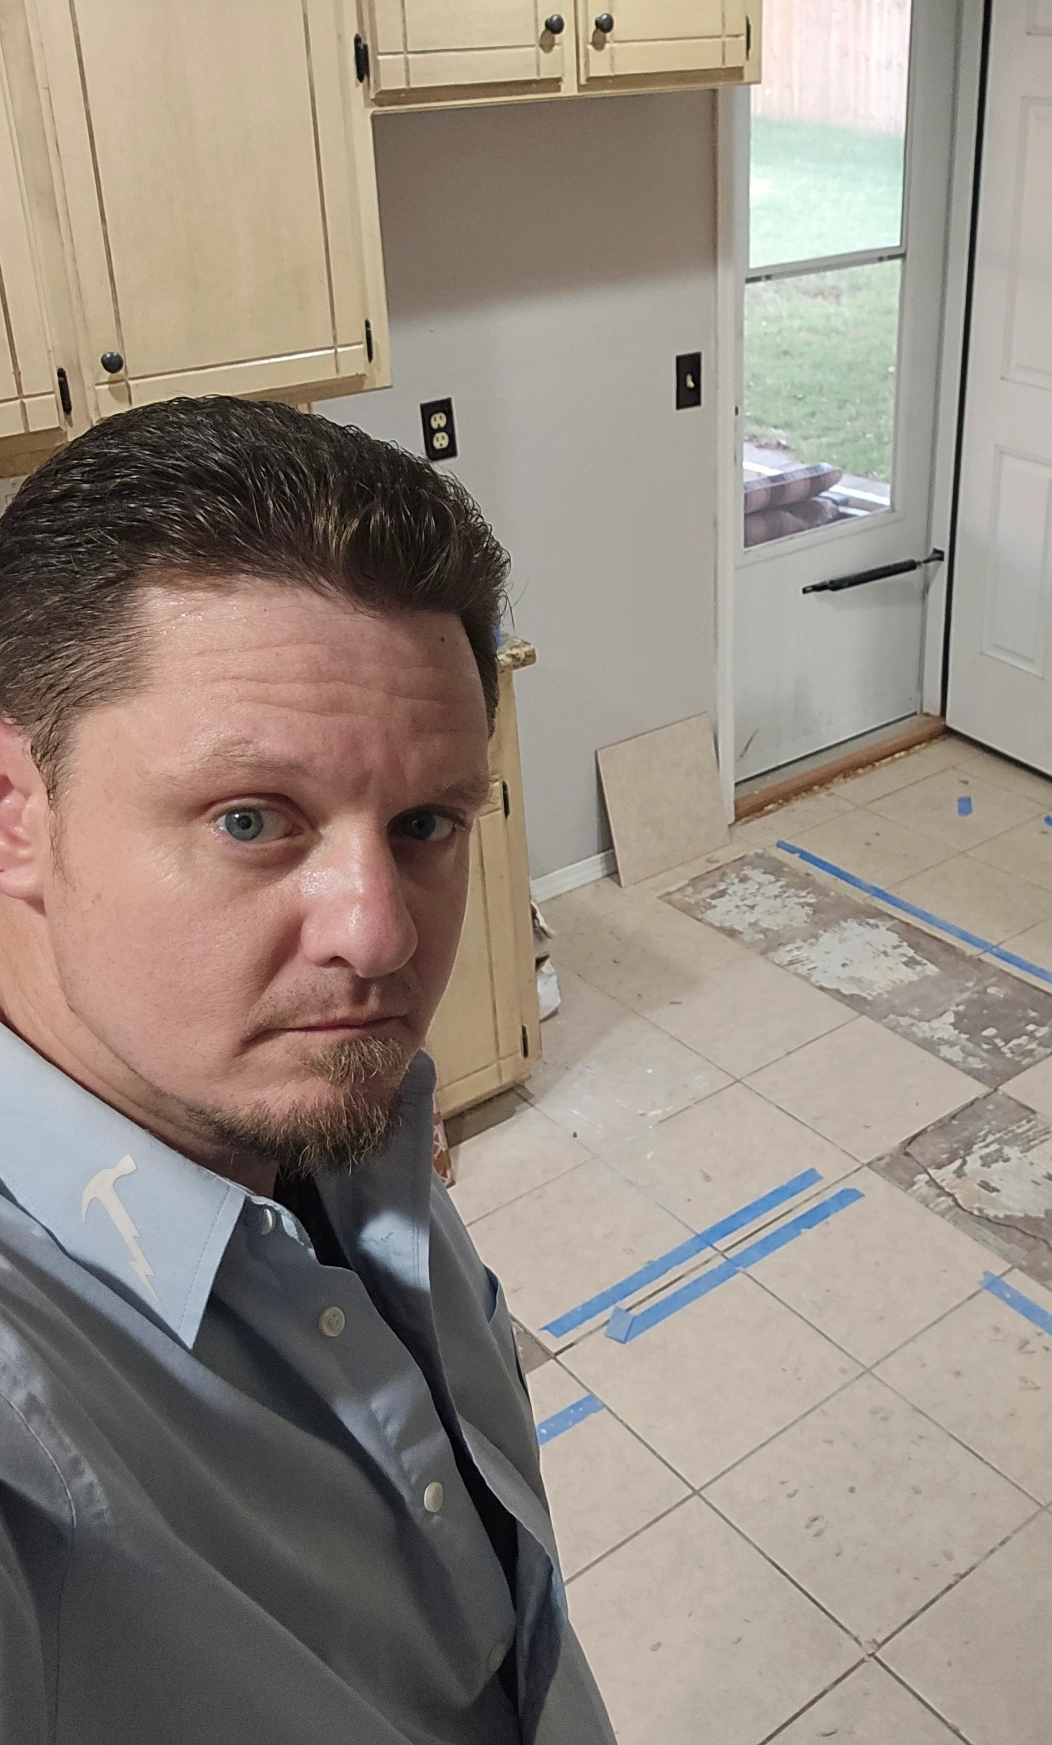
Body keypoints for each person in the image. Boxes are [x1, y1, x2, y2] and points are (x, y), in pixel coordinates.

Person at [0, 398, 616, 1745]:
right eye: (248, 820)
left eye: (422, 824)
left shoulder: (332, 1113)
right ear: (16, 815)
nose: (383, 933)